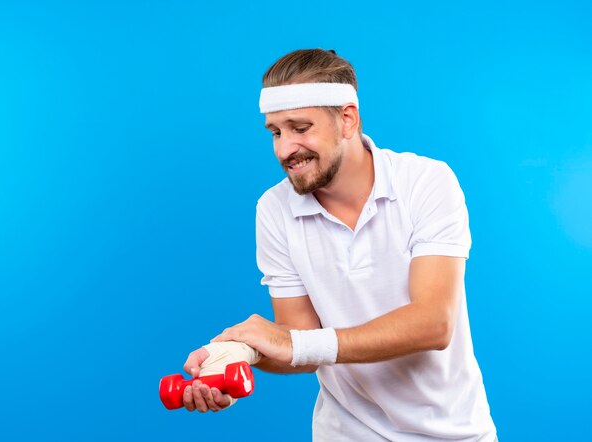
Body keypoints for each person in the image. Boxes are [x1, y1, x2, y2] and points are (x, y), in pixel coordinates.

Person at [182, 48, 497, 441]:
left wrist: (290, 342)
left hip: (452, 433)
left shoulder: (426, 181)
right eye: (276, 132)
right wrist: (238, 358)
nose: (284, 150)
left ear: (347, 119)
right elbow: (299, 343)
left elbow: (433, 324)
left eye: (300, 127)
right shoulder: (274, 209)